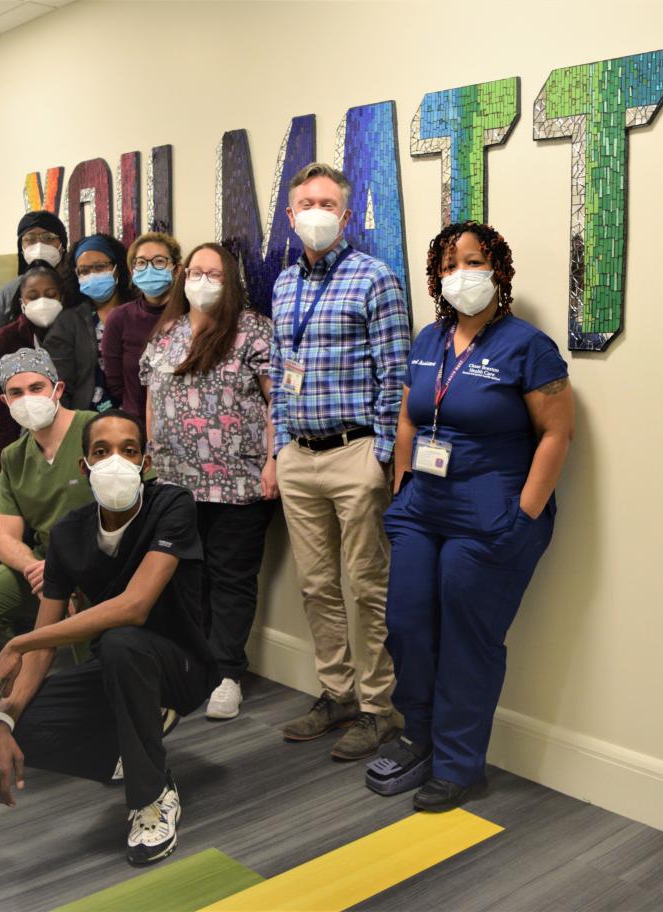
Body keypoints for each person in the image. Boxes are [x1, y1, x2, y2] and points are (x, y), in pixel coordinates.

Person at [364, 222, 574, 812]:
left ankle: (459, 762)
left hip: (491, 513)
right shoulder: (428, 339)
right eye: (451, 265)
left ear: (498, 270)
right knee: (406, 622)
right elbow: (409, 417)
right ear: (438, 277)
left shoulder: (528, 346)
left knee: (466, 635)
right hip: (422, 508)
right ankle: (419, 736)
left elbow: (558, 432)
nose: (462, 274)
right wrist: (401, 485)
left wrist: (525, 513)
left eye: (474, 261)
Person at [0, 409, 215, 867]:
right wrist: (0, 723)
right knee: (15, 725)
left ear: (145, 463)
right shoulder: (69, 533)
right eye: (101, 452)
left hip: (182, 668)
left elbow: (134, 606)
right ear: (84, 466)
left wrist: (16, 643)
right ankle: (130, 754)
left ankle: (150, 798)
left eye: (129, 451)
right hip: (115, 668)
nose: (116, 462)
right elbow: (46, 640)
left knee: (121, 640)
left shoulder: (172, 506)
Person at [269, 162, 410, 760]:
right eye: (306, 202)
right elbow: (279, 372)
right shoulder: (282, 284)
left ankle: (380, 707)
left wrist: (381, 457)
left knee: (367, 585)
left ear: (347, 216)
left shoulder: (375, 279)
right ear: (290, 214)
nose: (316, 212)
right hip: (300, 455)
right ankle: (337, 692)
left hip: (356, 453)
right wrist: (279, 446)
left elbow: (397, 373)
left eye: (328, 203)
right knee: (316, 585)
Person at [141, 242, 276, 721]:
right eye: (194, 272)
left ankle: (226, 675)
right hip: (176, 481)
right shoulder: (168, 332)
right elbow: (152, 397)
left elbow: (274, 398)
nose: (202, 281)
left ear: (230, 281)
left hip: (239, 481)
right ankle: (194, 665)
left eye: (213, 273)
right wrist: (151, 456)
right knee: (186, 579)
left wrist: (273, 461)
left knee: (231, 580)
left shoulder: (253, 330)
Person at [0, 348, 95, 680]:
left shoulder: (96, 430)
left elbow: (138, 507)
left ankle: (105, 701)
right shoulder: (14, 457)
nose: (27, 399)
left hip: (99, 561)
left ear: (57, 390)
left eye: (36, 388)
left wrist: (66, 574)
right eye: (16, 393)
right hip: (47, 564)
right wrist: (37, 569)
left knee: (87, 620)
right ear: (5, 402)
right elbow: (5, 539)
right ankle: (9, 702)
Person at [0, 263, 70, 528]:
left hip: (42, 453)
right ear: (21, 302)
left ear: (62, 297)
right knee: (11, 534)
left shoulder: (70, 333)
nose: (42, 301)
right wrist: (10, 463)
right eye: (33, 296)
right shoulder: (2, 341)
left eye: (50, 294)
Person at [46, 233, 134, 411]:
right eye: (84, 271)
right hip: (86, 419)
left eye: (100, 267)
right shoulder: (68, 321)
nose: (93, 275)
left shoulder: (137, 313)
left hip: (135, 416)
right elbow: (59, 381)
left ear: (117, 268)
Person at [102, 232, 181, 416]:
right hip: (136, 422)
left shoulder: (190, 315)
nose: (149, 269)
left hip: (183, 424)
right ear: (132, 271)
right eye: (141, 263)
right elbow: (114, 382)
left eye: (159, 261)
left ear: (176, 270)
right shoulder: (119, 318)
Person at [0, 211, 72, 336]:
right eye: (30, 239)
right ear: (21, 247)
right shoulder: (5, 295)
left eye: (48, 238)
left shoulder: (78, 286)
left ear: (63, 244)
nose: (39, 245)